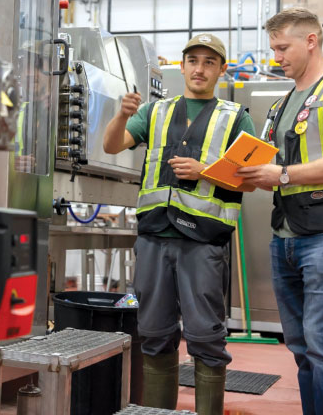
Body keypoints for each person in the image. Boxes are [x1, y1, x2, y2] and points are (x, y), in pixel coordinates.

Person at [104, 34, 255, 415]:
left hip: (203, 243)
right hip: (155, 237)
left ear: (221, 69)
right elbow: (111, 145)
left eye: (208, 62)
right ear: (182, 65)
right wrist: (122, 114)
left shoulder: (235, 117)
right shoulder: (155, 112)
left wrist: (205, 171)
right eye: (193, 60)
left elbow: (251, 177)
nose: (199, 68)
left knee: (206, 336)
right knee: (154, 333)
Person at [237, 8, 323, 415]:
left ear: (311, 41)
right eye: (273, 48)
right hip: (287, 237)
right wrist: (243, 175)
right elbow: (272, 169)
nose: (276, 57)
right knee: (301, 346)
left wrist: (284, 174)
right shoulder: (281, 105)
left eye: (282, 47)